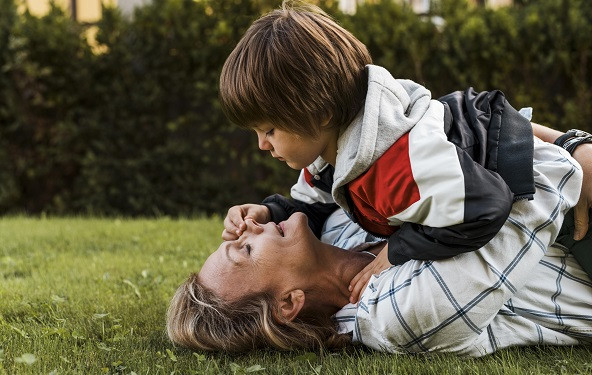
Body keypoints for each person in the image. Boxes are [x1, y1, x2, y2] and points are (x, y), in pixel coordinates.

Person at [217, 1, 592, 301]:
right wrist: (271, 212)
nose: (262, 145)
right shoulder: (333, 150)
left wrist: (396, 251)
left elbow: (484, 207)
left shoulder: (394, 161)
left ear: (320, 113)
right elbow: (312, 205)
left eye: (269, 130)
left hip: (544, 186)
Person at [166, 138, 592, 356]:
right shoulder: (399, 312)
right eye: (244, 251)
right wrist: (574, 144)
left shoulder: (342, 230)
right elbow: (546, 184)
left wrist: (270, 208)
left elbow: (325, 174)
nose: (246, 233)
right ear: (287, 304)